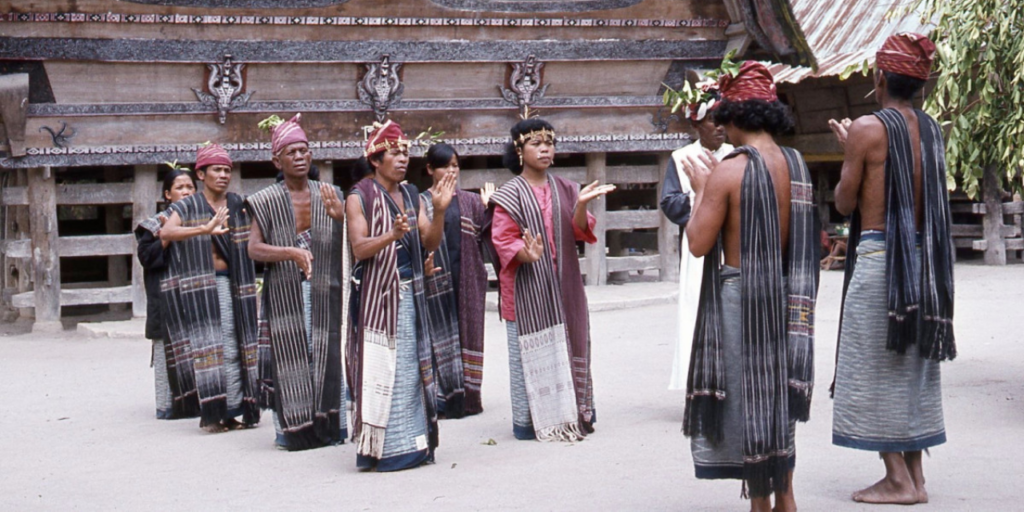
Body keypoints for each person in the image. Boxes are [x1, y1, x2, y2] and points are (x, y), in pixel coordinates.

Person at [678, 61, 819, 511]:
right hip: (787, 293)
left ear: (736, 116)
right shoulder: (796, 164)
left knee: (750, 400)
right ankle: (787, 495)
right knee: (777, 396)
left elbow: (699, 243)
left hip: (743, 295)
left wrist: (701, 188)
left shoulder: (730, 170)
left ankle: (761, 502)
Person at [827, 33, 955, 505]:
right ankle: (916, 478)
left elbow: (844, 203)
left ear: (880, 79)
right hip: (924, 261)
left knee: (872, 366)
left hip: (882, 257)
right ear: (920, 86)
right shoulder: (932, 128)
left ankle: (897, 478)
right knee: (910, 368)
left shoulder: (868, 128)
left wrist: (850, 151)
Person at [485, 118, 614, 442]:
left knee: (573, 340)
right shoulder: (509, 195)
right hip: (525, 290)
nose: (545, 149)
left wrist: (582, 205)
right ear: (519, 150)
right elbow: (503, 240)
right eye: (535, 143)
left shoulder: (567, 189)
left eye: (549, 143)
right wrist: (525, 255)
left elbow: (580, 230)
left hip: (564, 286)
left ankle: (574, 409)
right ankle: (530, 420)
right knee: (526, 352)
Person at [345, 119, 453, 471]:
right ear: (376, 160)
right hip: (377, 297)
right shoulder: (358, 196)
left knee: (411, 369)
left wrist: (438, 210)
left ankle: (414, 445)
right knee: (382, 371)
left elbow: (429, 242)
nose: (402, 158)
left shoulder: (410, 194)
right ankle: (383, 449)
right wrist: (391, 236)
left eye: (406, 152)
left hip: (410, 292)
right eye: (394, 152)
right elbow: (360, 249)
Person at [247, 113, 348, 450]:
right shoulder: (265, 200)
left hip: (324, 289)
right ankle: (292, 432)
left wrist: (341, 219)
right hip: (285, 290)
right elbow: (254, 249)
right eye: (292, 152)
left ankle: (330, 428)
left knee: (326, 353)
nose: (301, 157)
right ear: (277, 159)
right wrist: (290, 252)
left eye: (304, 150)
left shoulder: (330, 193)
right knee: (289, 357)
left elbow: (351, 240)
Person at [159, 143, 261, 432]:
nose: (223, 175)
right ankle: (213, 413)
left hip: (235, 281)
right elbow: (165, 232)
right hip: (201, 285)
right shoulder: (188, 205)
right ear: (201, 174)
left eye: (227, 170)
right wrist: (203, 229)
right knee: (208, 348)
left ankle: (231, 410)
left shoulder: (238, 204)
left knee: (235, 345)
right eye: (216, 169)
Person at [660, 80, 735, 391]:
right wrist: (703, 198)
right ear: (696, 123)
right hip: (699, 246)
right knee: (696, 307)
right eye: (711, 120)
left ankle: (731, 381)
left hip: (732, 243)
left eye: (722, 120)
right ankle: (698, 383)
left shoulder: (737, 154)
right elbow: (670, 202)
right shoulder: (682, 158)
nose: (718, 127)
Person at [419, 143, 492, 418]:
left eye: (455, 165)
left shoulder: (472, 201)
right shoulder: (421, 201)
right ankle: (442, 397)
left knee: (468, 332)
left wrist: (490, 209)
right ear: (429, 169)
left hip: (468, 276)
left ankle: (469, 396)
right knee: (438, 336)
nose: (451, 170)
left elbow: (488, 236)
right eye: (444, 165)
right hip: (435, 278)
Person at [134, 167, 200, 420]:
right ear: (167, 194)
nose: (185, 191)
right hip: (165, 297)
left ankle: (195, 404)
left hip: (193, 295)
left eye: (190, 187)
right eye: (179, 187)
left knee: (197, 349)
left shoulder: (203, 221)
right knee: (165, 351)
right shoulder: (152, 225)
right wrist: (167, 235)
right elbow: (147, 258)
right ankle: (166, 404)